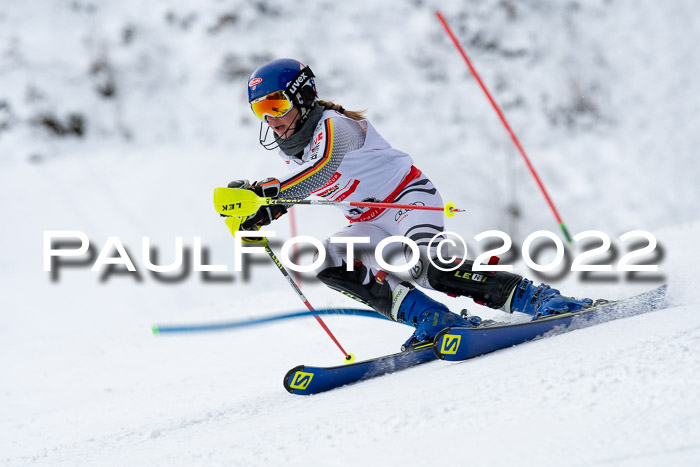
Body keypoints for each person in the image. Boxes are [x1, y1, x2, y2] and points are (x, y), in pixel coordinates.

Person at [229, 58, 592, 348]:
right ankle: (433, 318)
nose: (270, 119)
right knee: (326, 262)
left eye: (276, 104)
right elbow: (303, 180)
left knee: (428, 268)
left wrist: (268, 197)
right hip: (369, 220)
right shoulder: (293, 150)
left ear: (304, 96)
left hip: (408, 201)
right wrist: (263, 209)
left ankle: (535, 298)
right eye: (260, 110)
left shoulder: (336, 126)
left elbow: (322, 173)